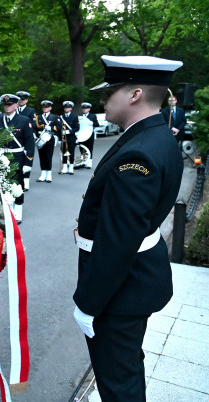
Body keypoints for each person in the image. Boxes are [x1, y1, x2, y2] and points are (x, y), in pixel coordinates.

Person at [73, 55, 183, 401]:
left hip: (120, 292)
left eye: (110, 91)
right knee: (126, 369)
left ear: (134, 94)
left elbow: (119, 241)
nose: (103, 99)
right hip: (135, 282)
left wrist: (88, 304)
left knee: (118, 382)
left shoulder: (139, 154)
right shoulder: (153, 135)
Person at [0, 94, 34, 223]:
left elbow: (30, 143)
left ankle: (18, 211)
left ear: (16, 105)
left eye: (10, 104)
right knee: (3, 184)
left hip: (18, 157)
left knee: (18, 185)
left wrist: (28, 162)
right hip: (2, 157)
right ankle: (6, 210)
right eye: (5, 105)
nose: (7, 107)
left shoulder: (24, 120)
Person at [33, 100, 62, 183]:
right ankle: (42, 174)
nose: (45, 108)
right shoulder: (38, 117)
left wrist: (52, 128)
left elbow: (59, 127)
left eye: (47, 107)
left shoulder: (55, 117)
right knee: (41, 156)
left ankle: (49, 174)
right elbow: (35, 127)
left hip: (49, 138)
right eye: (44, 107)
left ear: (50, 108)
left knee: (48, 156)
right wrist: (34, 136)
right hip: (40, 138)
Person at [16, 91, 36, 191]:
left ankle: (26, 181)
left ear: (26, 100)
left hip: (27, 135)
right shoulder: (15, 109)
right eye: (19, 99)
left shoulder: (30, 111)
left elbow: (33, 123)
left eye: (23, 99)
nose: (21, 101)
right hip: (17, 136)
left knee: (27, 156)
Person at [59, 101, 79, 175]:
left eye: (68, 107)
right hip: (63, 138)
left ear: (71, 108)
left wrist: (69, 132)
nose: (66, 109)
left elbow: (77, 128)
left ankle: (71, 167)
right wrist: (59, 137)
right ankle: (64, 167)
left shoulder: (74, 117)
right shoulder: (61, 117)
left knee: (71, 152)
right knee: (64, 152)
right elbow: (58, 127)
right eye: (65, 107)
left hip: (71, 137)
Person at [80, 102, 100, 169]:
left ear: (89, 109)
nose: (85, 109)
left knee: (89, 148)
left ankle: (89, 163)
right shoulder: (80, 116)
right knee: (82, 149)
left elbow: (97, 124)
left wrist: (92, 123)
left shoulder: (92, 116)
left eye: (86, 108)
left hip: (90, 134)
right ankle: (83, 161)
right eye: (84, 108)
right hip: (81, 134)